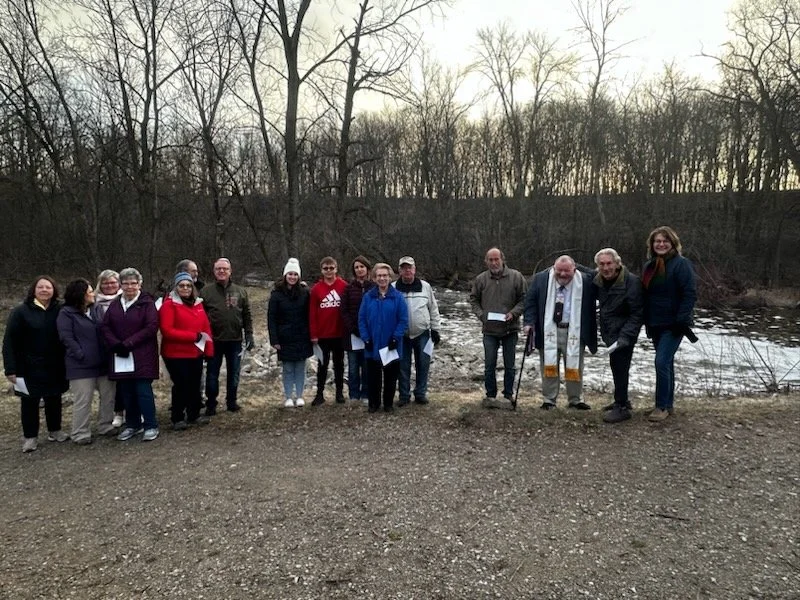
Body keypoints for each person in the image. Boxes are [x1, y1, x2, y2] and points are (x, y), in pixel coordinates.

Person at [3, 276, 69, 453]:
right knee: (29, 402)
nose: (45, 290)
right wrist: (10, 369)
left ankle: (55, 431)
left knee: (54, 398)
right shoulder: (20, 311)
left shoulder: (60, 309)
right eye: (41, 287)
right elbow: (9, 341)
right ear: (34, 290)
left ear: (54, 290)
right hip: (27, 366)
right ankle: (30, 437)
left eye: (48, 287)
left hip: (54, 364)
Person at [523, 255, 597, 410]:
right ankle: (549, 399)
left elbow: (599, 274)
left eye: (567, 271)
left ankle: (575, 400)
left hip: (574, 331)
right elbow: (530, 302)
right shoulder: (541, 279)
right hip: (548, 330)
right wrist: (529, 323)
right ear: (553, 268)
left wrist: (580, 267)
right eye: (559, 270)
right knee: (548, 365)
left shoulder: (585, 281)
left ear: (574, 269)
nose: (563, 274)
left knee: (576, 365)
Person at [641, 226, 697, 422]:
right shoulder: (650, 265)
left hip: (674, 324)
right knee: (667, 363)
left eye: (665, 241)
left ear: (673, 243)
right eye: (657, 241)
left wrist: (681, 319)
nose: (661, 244)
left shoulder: (681, 264)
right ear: (652, 244)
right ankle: (668, 404)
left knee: (661, 362)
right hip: (655, 322)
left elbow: (689, 294)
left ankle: (661, 407)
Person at [100, 267, 161, 442]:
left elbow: (151, 327)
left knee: (143, 391)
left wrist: (129, 343)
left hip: (142, 354)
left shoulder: (147, 303)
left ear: (139, 284)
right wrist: (115, 344)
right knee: (126, 391)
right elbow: (105, 326)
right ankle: (133, 425)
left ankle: (150, 425)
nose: (129, 287)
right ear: (120, 285)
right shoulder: (115, 304)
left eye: (133, 283)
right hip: (121, 355)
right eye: (125, 283)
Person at [56, 278, 116, 445]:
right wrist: (80, 353)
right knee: (83, 400)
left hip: (103, 362)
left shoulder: (96, 309)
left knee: (108, 396)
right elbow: (66, 337)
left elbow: (105, 330)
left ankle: (105, 425)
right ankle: (80, 432)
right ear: (80, 295)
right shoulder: (66, 313)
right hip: (80, 365)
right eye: (89, 292)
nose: (93, 294)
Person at [469, 248, 527, 408]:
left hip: (510, 329)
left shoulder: (516, 277)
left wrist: (514, 313)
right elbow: (473, 300)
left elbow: (524, 300)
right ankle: (490, 395)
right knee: (489, 364)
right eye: (490, 260)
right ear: (486, 261)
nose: (494, 263)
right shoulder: (481, 279)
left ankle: (508, 395)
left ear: (503, 259)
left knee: (510, 365)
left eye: (496, 259)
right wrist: (481, 315)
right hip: (489, 330)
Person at [592, 248, 644, 424]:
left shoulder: (631, 282)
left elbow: (637, 313)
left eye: (609, 263)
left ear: (617, 263)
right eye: (602, 264)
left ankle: (621, 407)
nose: (606, 268)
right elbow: (584, 271)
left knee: (621, 367)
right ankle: (621, 400)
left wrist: (625, 337)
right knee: (615, 366)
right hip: (610, 333)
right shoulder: (599, 280)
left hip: (624, 333)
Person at [159, 272, 214, 429]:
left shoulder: (198, 304)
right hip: (175, 353)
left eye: (188, 285)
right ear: (176, 287)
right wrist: (193, 336)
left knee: (195, 384)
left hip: (195, 352)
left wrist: (209, 350)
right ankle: (177, 417)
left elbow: (206, 328)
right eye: (182, 285)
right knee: (181, 385)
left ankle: (194, 414)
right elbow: (167, 330)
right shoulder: (169, 305)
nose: (185, 288)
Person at [200, 258, 254, 414]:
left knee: (234, 373)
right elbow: (200, 316)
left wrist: (249, 335)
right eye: (218, 269)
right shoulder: (205, 292)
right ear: (214, 271)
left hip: (235, 340)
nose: (222, 271)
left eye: (225, 269)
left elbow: (247, 315)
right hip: (213, 341)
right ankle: (211, 403)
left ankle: (232, 401)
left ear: (230, 271)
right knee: (212, 374)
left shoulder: (240, 291)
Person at [358, 263, 408, 413]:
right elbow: (361, 319)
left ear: (390, 277)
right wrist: (365, 338)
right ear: (374, 278)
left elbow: (403, 320)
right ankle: (373, 403)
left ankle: (388, 404)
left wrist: (396, 338)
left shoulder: (397, 297)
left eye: (385, 275)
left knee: (391, 377)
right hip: (373, 343)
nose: (382, 278)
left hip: (391, 344)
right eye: (379, 275)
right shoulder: (368, 297)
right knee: (373, 377)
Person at [393, 256, 441, 406]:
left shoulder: (425, 286)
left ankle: (420, 393)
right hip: (402, 334)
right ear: (399, 270)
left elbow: (433, 308)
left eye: (410, 267)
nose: (407, 270)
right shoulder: (393, 287)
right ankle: (404, 395)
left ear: (414, 269)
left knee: (423, 363)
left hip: (423, 333)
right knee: (402, 365)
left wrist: (436, 329)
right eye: (404, 268)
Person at [268, 258, 313, 408]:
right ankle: (288, 396)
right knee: (287, 368)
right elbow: (271, 318)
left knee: (301, 367)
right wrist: (274, 339)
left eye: (295, 274)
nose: (292, 277)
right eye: (290, 274)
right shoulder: (276, 294)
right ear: (285, 275)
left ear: (299, 276)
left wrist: (311, 334)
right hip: (284, 337)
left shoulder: (305, 293)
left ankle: (299, 395)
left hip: (302, 335)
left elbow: (310, 315)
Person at [308, 256, 348, 405]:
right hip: (323, 335)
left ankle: (339, 393)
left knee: (339, 364)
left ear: (336, 269)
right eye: (326, 268)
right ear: (322, 270)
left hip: (339, 333)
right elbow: (312, 313)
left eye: (331, 268)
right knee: (322, 365)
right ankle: (319, 394)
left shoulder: (343, 286)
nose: (329, 271)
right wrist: (313, 334)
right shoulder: (316, 289)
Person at [340, 255, 375, 404]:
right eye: (357, 267)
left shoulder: (374, 287)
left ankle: (366, 393)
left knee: (367, 366)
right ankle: (353, 394)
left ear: (367, 268)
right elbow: (344, 311)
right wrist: (353, 328)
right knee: (353, 367)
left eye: (362, 266)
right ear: (354, 270)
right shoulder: (348, 288)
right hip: (352, 334)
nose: (360, 269)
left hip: (370, 334)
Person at [95, 269, 125, 428]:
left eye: (113, 282)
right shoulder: (94, 302)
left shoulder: (125, 299)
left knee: (124, 381)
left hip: (123, 345)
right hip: (103, 347)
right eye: (105, 282)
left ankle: (127, 411)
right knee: (109, 383)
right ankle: (116, 412)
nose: (109, 285)